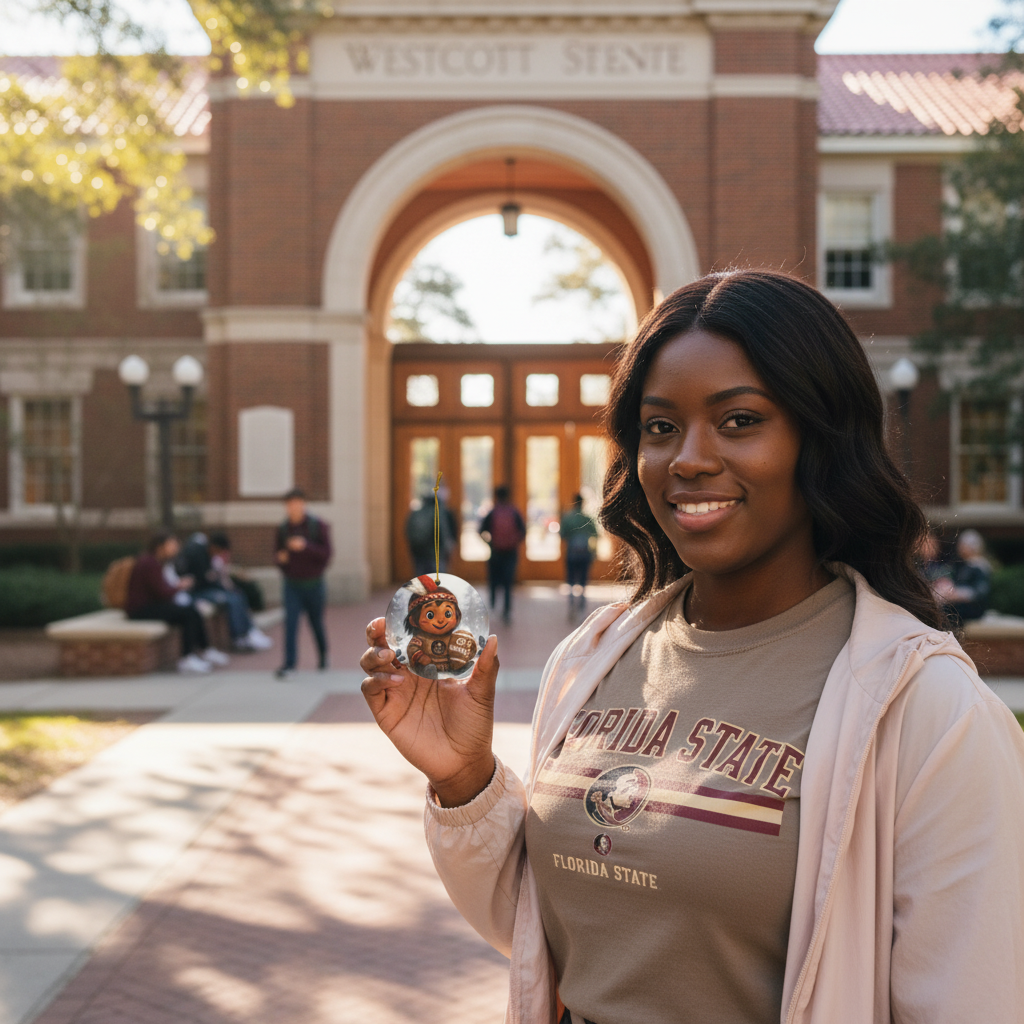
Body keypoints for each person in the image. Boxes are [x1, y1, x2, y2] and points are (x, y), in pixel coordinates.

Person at [361, 270, 1024, 1024]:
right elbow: (559, 927)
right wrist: (466, 779)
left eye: (739, 420)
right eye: (660, 426)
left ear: (821, 437)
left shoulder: (926, 710)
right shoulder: (594, 658)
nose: (688, 459)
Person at [127, 532, 229, 674]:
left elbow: (162, 591)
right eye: (172, 544)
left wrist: (176, 588)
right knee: (188, 613)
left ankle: (205, 650)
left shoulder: (156, 562)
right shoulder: (149, 563)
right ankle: (186, 658)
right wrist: (180, 586)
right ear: (160, 546)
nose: (176, 548)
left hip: (151, 606)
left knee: (192, 610)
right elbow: (162, 592)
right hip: (141, 610)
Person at [179, 532, 274, 652]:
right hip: (199, 592)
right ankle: (238, 637)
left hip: (211, 589)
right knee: (230, 601)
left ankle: (250, 631)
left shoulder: (209, 556)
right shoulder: (198, 554)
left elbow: (214, 577)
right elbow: (201, 580)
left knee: (238, 596)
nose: (219, 555)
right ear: (215, 547)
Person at [275, 487, 332, 678]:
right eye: (290, 504)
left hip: (314, 584)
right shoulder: (283, 529)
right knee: (290, 623)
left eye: (297, 503)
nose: (293, 508)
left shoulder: (317, 526)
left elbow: (326, 555)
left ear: (303, 504)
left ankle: (323, 656)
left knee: (316, 622)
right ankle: (289, 663)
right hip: (292, 585)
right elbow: (277, 556)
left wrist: (306, 547)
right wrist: (281, 559)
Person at [479, 485, 525, 624]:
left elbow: (481, 530)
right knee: (507, 582)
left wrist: (490, 543)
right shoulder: (514, 512)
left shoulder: (492, 512)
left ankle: (492, 606)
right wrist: (514, 543)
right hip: (510, 553)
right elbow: (523, 531)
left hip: (496, 552)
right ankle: (506, 610)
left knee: (493, 580)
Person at [935, 528, 993, 625]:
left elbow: (980, 592)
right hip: (962, 604)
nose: (960, 548)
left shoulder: (980, 567)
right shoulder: (964, 565)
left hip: (974, 608)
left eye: (963, 545)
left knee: (948, 613)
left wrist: (958, 594)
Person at [559, 493, 599, 620]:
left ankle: (571, 605)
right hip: (585, 553)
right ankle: (581, 607)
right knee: (583, 580)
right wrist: (593, 551)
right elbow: (596, 535)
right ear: (583, 503)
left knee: (571, 580)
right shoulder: (587, 518)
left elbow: (562, 535)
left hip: (571, 552)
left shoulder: (568, 518)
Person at [405, 487, 458, 577]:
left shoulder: (416, 513)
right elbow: (443, 533)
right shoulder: (441, 513)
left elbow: (408, 531)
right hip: (436, 554)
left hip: (418, 552)